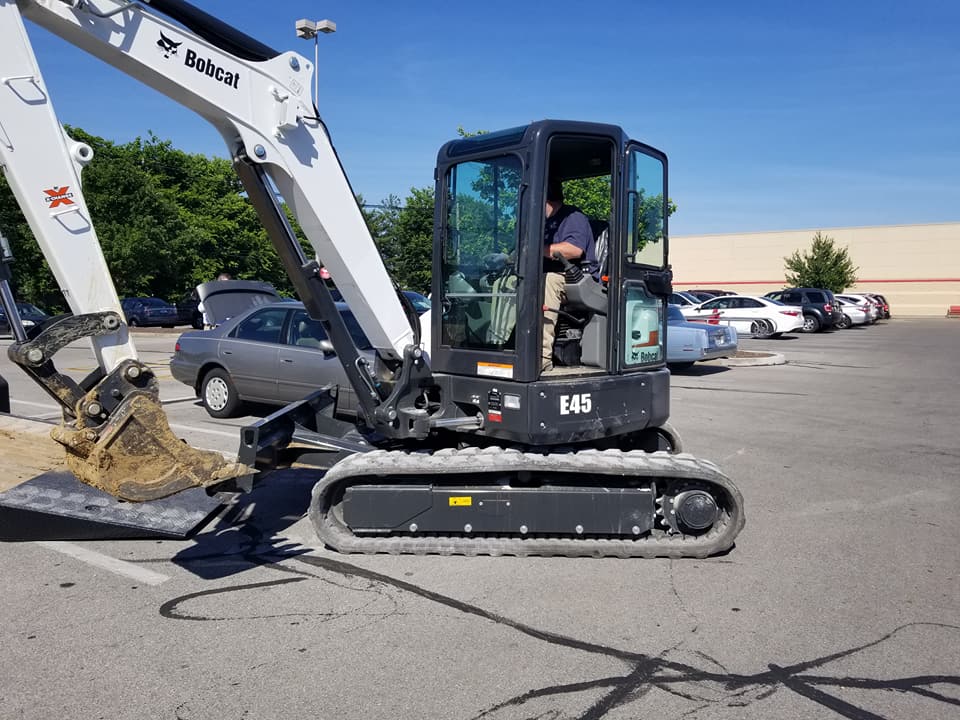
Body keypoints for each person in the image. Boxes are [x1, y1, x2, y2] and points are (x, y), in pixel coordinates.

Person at [541, 178, 598, 371]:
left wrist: (537, 249)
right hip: (552, 275)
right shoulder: (545, 224)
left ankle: (541, 357)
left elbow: (574, 250)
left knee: (549, 281)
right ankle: (499, 343)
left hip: (579, 278)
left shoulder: (573, 217)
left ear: (548, 199)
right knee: (509, 280)